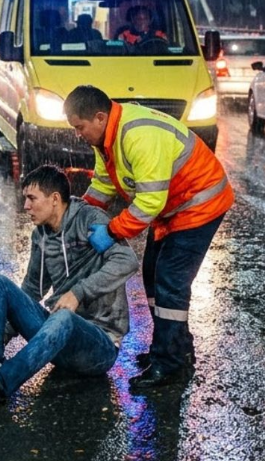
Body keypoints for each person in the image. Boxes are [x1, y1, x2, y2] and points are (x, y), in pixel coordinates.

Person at [64, 85, 234, 390]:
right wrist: (78, 214)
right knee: (153, 277)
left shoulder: (137, 135)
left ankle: (168, 364)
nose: (78, 134)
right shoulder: (107, 139)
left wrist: (112, 231)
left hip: (199, 205)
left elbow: (148, 203)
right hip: (174, 209)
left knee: (170, 280)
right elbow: (104, 185)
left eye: (80, 127)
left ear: (99, 117)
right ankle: (174, 349)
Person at [0, 165, 138, 407]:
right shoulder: (40, 235)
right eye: (25, 199)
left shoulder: (89, 219)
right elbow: (31, 290)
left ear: (54, 199)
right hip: (58, 338)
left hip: (99, 346)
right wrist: (3, 335)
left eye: (32, 198)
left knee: (63, 317)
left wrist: (78, 292)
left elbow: (128, 261)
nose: (26, 207)